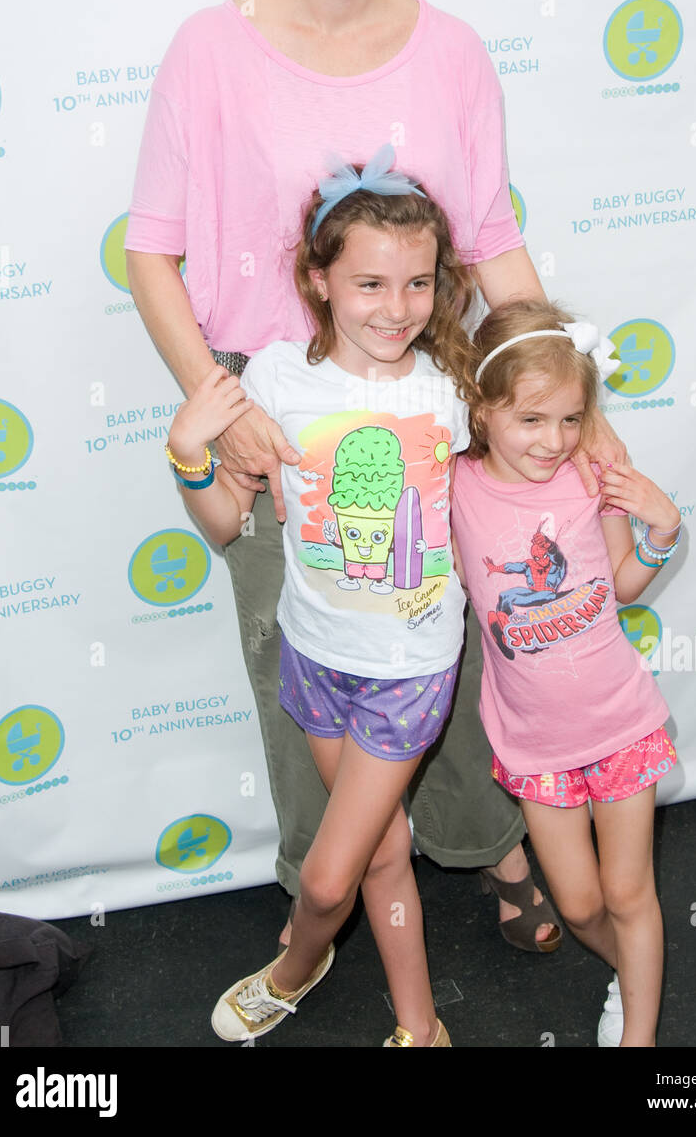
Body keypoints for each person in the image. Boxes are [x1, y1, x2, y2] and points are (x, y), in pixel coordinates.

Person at [125, 0, 619, 955]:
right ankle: (330, 884)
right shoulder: (209, 48)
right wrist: (226, 405)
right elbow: (153, 252)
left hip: (427, 388)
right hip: (272, 403)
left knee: (434, 624)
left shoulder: (449, 50)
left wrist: (568, 404)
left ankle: (483, 838)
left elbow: (489, 238)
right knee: (296, 650)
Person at [165, 157, 474, 1045]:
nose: (397, 306)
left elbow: (508, 497)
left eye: (418, 282)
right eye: (370, 282)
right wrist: (189, 458)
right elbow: (228, 523)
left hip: (408, 670)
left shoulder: (451, 389)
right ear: (317, 279)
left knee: (330, 879)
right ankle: (421, 1025)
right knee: (378, 850)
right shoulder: (271, 379)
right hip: (313, 654)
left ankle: (297, 961)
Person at [451, 299, 682, 1047]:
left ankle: (639, 1034)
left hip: (622, 725)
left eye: (572, 419)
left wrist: (661, 534)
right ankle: (635, 969)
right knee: (581, 906)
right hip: (532, 744)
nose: (555, 441)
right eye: (532, 420)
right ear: (482, 411)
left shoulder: (590, 474)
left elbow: (620, 584)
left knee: (627, 890)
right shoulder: (454, 488)